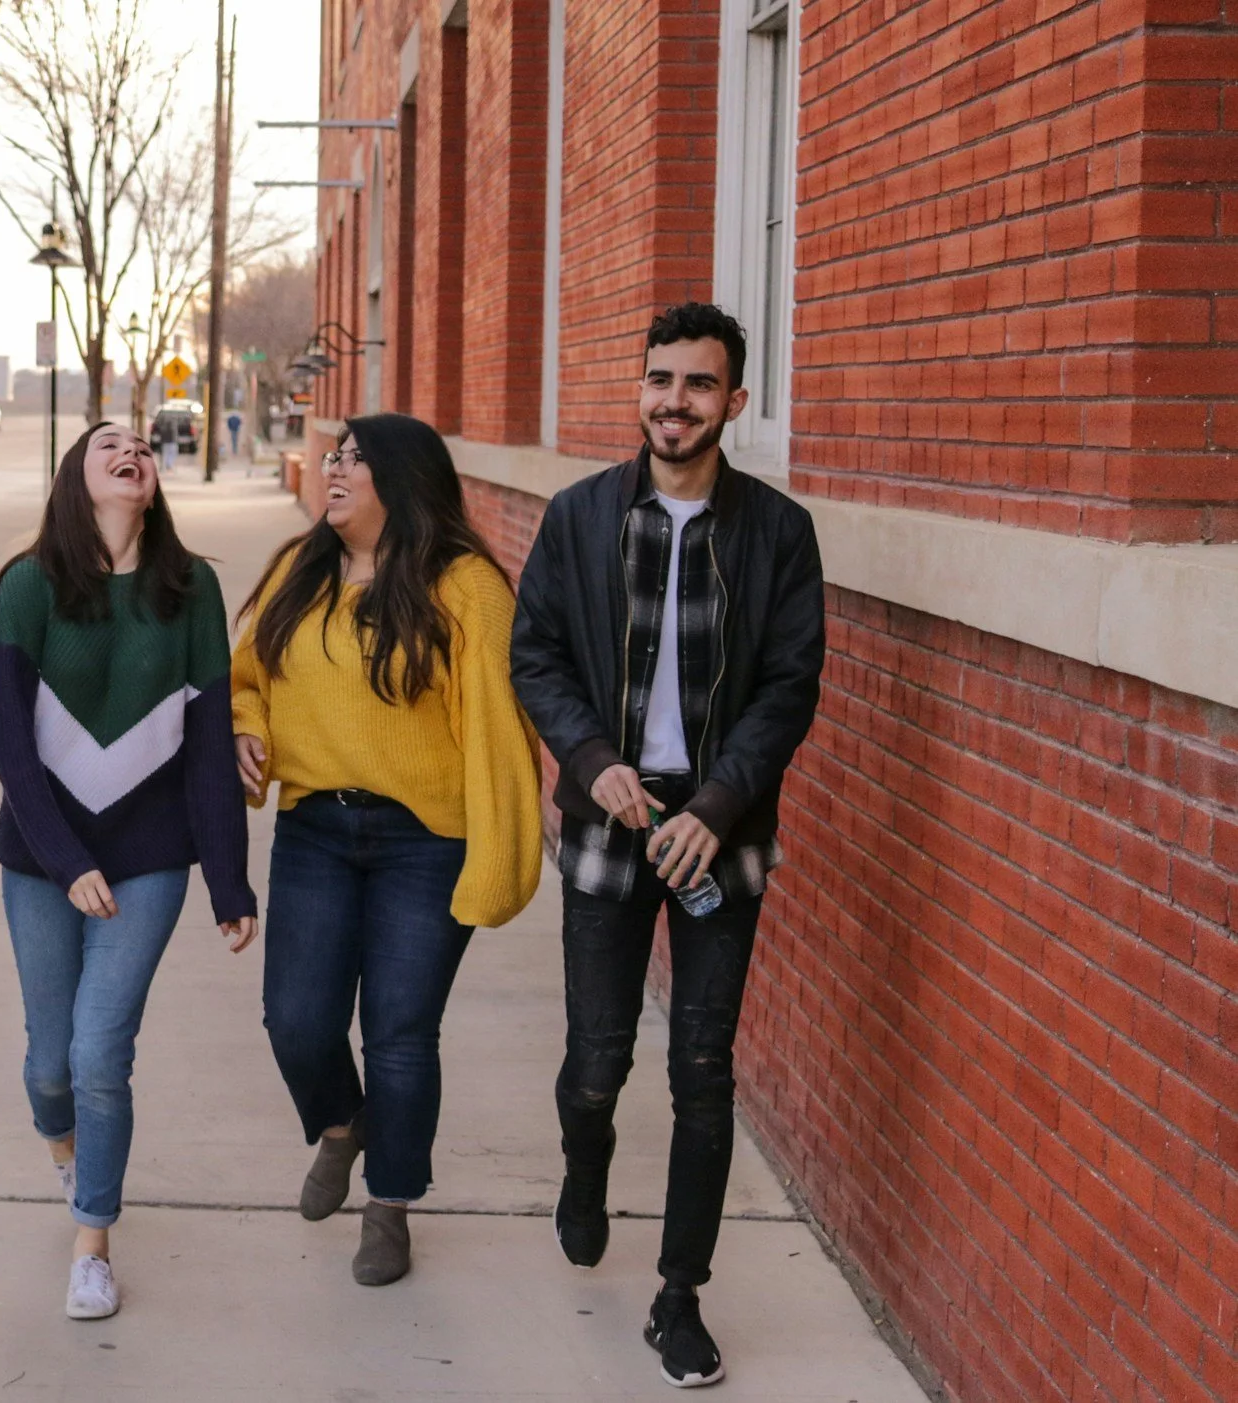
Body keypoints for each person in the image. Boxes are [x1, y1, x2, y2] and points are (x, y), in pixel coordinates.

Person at [509, 302, 824, 1390]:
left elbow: (789, 686)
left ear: (732, 402)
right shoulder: (581, 517)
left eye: (697, 384)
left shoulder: (777, 531)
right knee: (596, 1059)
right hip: (609, 817)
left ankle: (678, 1294)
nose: (672, 401)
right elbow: (535, 654)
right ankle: (583, 1167)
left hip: (716, 830)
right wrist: (590, 757)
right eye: (658, 380)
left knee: (702, 1070)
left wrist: (721, 803)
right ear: (638, 388)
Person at [231, 412, 540, 1288]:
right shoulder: (299, 570)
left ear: (401, 480)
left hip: (426, 841)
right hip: (315, 829)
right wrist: (244, 730)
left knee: (401, 1035)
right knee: (296, 1020)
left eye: (355, 460)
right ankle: (341, 1126)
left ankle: (392, 1204)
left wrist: (499, 857)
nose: (333, 470)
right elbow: (246, 677)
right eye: (333, 455)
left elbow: (498, 731)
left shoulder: (466, 586)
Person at [0, 423, 258, 1320]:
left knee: (100, 1052)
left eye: (143, 444)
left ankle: (92, 1238)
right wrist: (66, 864)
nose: (131, 450)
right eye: (108, 443)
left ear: (153, 481)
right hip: (41, 858)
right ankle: (69, 1150)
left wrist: (228, 880)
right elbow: (10, 749)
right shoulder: (29, 586)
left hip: (147, 860)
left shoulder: (193, 589)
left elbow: (213, 744)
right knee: (47, 1065)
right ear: (77, 476)